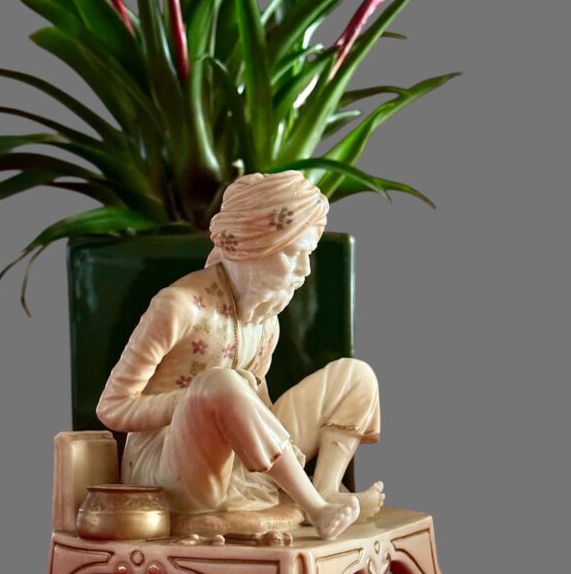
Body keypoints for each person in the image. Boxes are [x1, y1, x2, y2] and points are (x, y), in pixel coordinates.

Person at [96, 171, 384, 540]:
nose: (305, 270)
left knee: (354, 376)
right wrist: (194, 402)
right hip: (171, 466)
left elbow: (256, 404)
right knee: (219, 383)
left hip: (241, 456)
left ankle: (324, 489)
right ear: (251, 246)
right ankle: (316, 508)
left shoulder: (265, 320)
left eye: (308, 254)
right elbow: (112, 407)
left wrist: (248, 413)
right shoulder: (177, 307)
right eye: (293, 254)